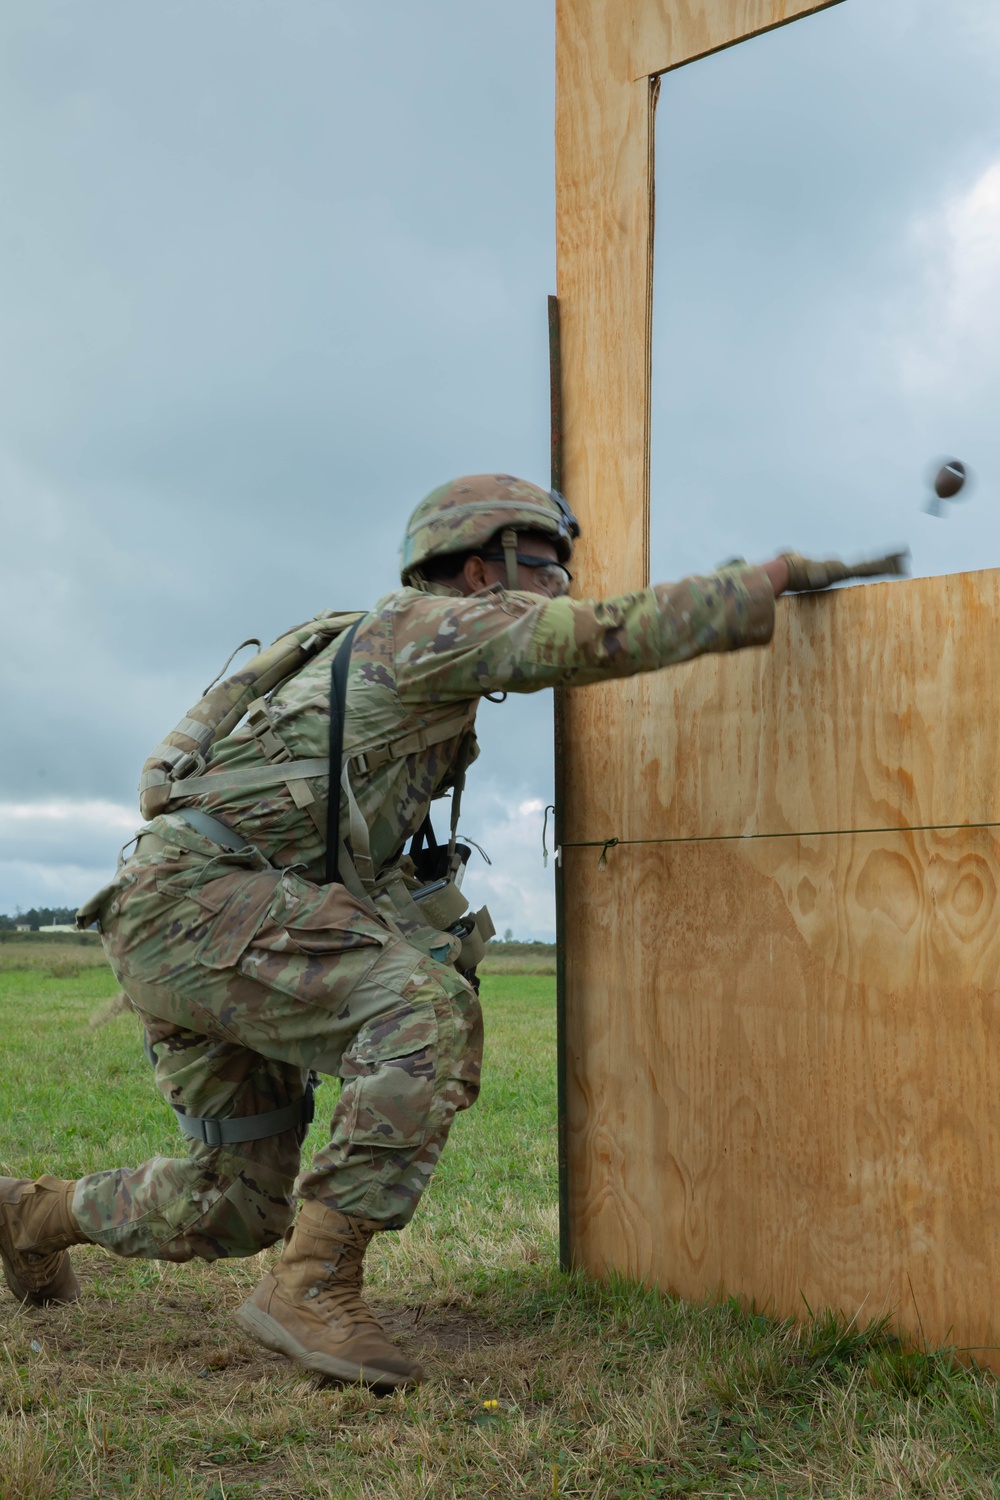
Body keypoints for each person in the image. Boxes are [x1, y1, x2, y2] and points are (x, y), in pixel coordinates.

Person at [0, 473, 792, 1389]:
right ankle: (313, 1286)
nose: (557, 588)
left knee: (239, 1201)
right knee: (424, 1014)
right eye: (540, 566)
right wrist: (757, 584)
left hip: (185, 910)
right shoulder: (421, 628)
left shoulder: (405, 682)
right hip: (200, 903)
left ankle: (28, 1218)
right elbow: (595, 639)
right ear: (473, 568)